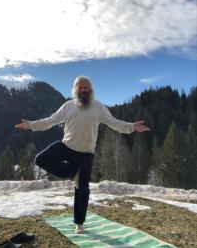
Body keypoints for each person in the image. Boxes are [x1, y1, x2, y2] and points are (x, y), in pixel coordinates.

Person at [14, 75, 150, 233]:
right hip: (66, 147)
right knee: (40, 159)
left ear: (90, 90)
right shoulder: (68, 106)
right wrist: (30, 125)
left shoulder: (98, 107)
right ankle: (71, 171)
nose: (83, 90)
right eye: (80, 87)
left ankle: (79, 224)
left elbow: (114, 122)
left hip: (85, 154)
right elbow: (50, 121)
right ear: (75, 90)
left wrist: (132, 126)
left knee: (82, 189)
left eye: (86, 87)